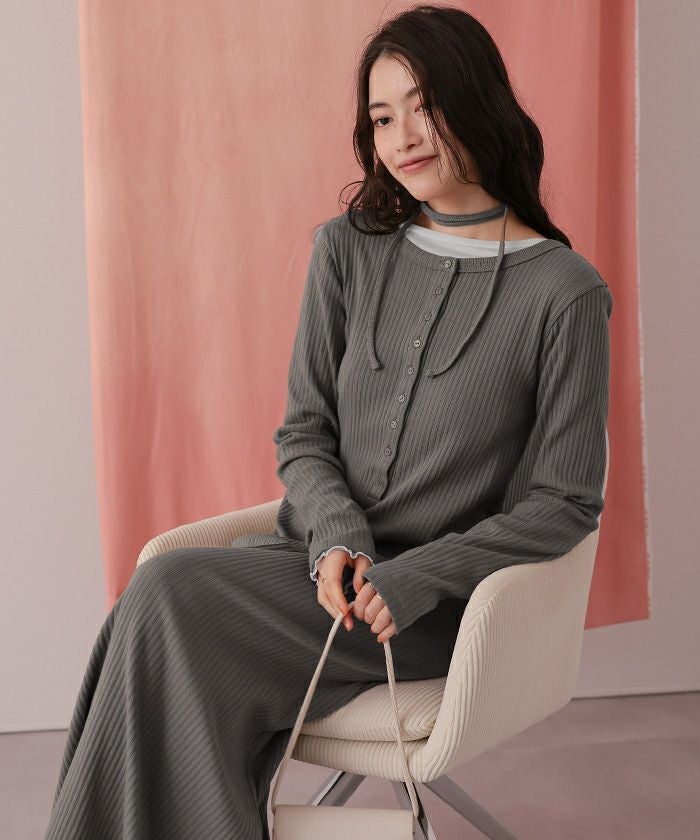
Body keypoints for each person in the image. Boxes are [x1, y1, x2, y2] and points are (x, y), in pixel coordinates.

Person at [43, 5, 612, 839]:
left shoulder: (564, 293)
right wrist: (338, 539)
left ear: (477, 101)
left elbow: (564, 504)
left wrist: (417, 578)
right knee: (163, 607)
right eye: (382, 118)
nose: (402, 137)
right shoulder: (348, 248)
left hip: (425, 614)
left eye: (423, 106)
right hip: (310, 571)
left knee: (164, 597)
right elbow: (304, 433)